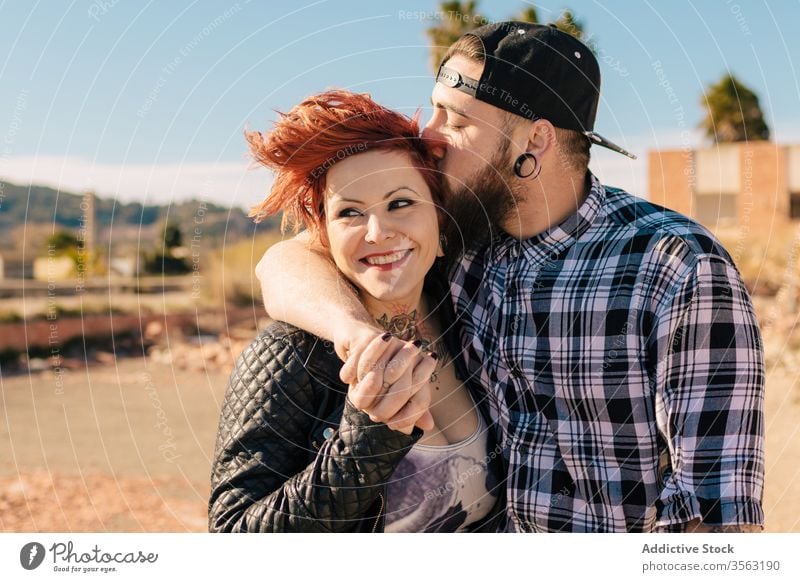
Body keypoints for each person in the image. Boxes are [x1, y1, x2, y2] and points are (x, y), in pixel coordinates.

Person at [253, 22, 765, 532]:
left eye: (454, 118)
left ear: (534, 138)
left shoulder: (674, 264)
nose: (429, 135)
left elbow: (714, 515)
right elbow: (284, 262)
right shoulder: (460, 240)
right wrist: (359, 338)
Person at [208, 89, 504, 533]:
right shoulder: (291, 355)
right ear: (323, 233)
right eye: (350, 212)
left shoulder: (470, 314)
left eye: (400, 203)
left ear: (439, 216)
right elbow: (232, 534)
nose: (378, 232)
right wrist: (365, 440)